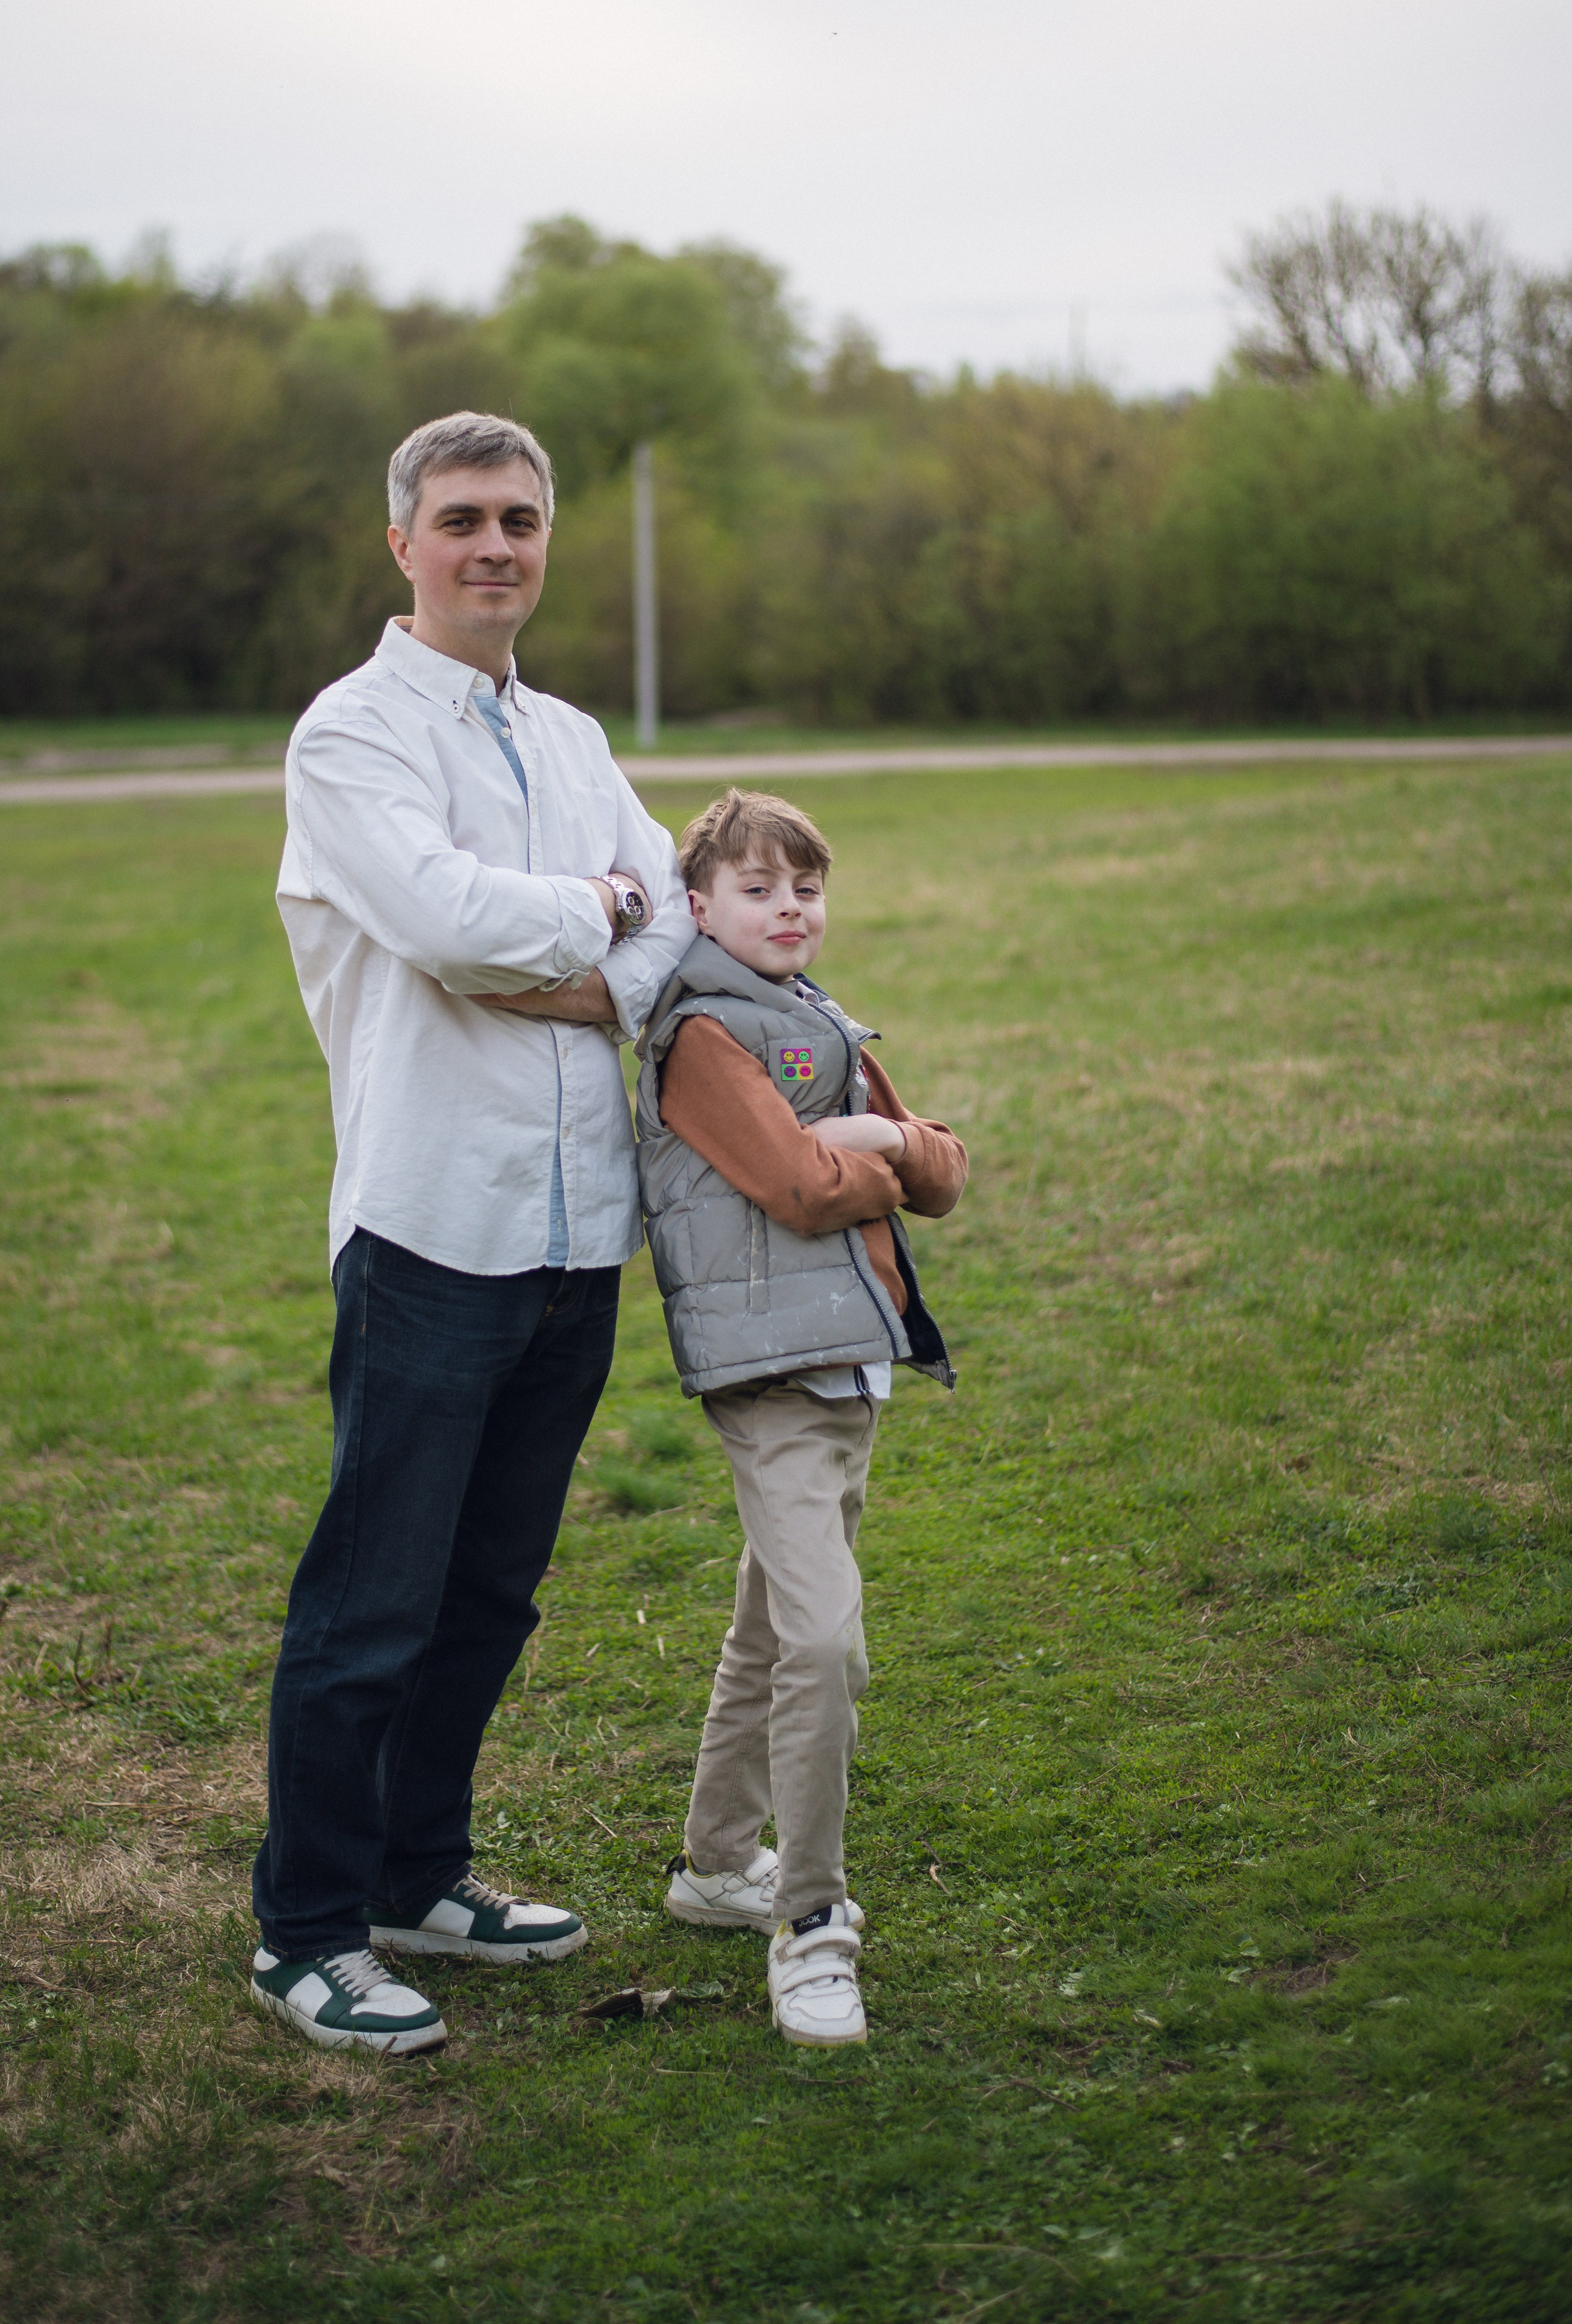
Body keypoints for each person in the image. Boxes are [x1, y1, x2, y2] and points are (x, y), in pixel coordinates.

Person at [251, 412, 693, 2054]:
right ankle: (304, 1927)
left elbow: (680, 932)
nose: (492, 544)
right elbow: (437, 921)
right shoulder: (350, 736)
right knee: (372, 1602)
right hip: (435, 1229)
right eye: (460, 519)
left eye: (518, 517)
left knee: (492, 1590)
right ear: (403, 545)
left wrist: (588, 943)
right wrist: (607, 918)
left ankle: (415, 1874)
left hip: (581, 1240)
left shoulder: (575, 737)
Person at [634, 789, 968, 2046]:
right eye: (759, 888)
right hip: (770, 1377)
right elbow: (793, 1182)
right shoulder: (705, 1032)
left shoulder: (813, 1018)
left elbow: (936, 1172)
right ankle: (810, 1921)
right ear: (701, 906)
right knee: (827, 1645)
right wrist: (867, 1146)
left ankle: (717, 1863)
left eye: (805, 889)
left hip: (843, 1367)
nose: (788, 909)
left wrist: (871, 1131)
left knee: (774, 1627)